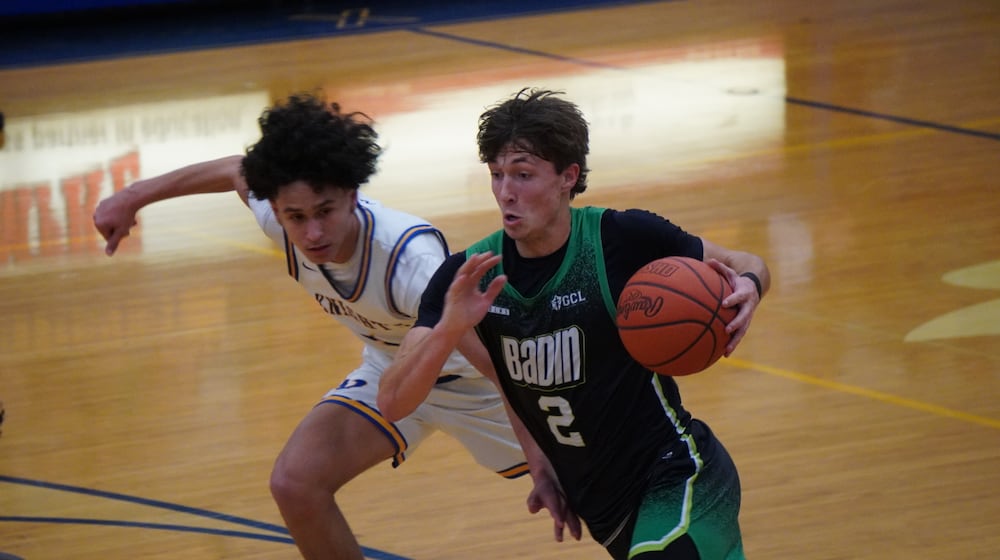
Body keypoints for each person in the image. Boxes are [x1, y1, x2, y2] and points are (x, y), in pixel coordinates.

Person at [92, 92, 577, 560]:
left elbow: (498, 368)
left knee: (587, 496)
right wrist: (133, 196)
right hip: (392, 368)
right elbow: (234, 168)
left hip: (476, 386)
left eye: (324, 212)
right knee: (295, 483)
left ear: (351, 193)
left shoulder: (409, 264)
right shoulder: (281, 216)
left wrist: (540, 457)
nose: (313, 233)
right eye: (296, 217)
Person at [379, 88, 771, 560]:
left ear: (569, 177)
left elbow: (745, 260)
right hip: (601, 506)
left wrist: (749, 283)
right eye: (498, 175)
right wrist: (449, 329)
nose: (506, 191)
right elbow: (395, 400)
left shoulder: (621, 238)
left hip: (676, 474)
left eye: (523, 175)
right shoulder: (470, 277)